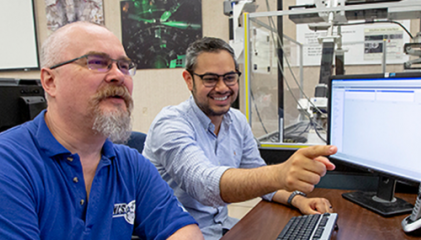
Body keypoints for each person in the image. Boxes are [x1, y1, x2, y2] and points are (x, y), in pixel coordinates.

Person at [0, 21, 203, 240]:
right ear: (50, 81)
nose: (118, 75)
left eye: (124, 66)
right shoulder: (9, 163)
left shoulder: (130, 165)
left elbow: (185, 232)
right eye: (97, 62)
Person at [143, 37, 338, 239]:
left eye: (229, 77)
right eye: (210, 79)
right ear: (188, 79)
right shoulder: (170, 124)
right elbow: (203, 185)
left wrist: (297, 199)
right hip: (180, 233)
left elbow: (259, 177)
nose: (222, 88)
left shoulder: (236, 121)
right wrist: (279, 174)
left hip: (223, 228)